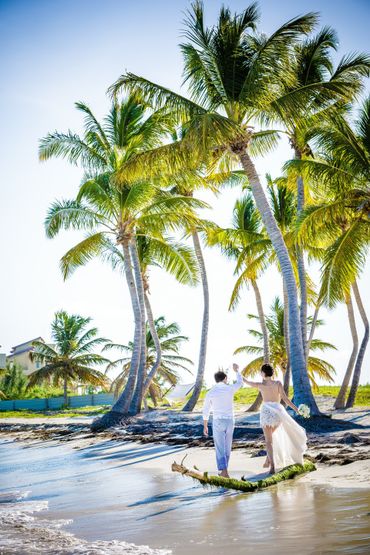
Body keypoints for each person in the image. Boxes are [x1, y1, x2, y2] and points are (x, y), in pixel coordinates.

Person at [242, 363, 307, 474]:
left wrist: (237, 372)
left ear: (263, 373)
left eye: (261, 372)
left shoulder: (260, 385)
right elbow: (285, 399)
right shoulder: (278, 383)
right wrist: (297, 410)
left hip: (267, 411)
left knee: (268, 441)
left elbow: (246, 381)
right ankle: (268, 459)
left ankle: (272, 466)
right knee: (272, 436)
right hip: (278, 412)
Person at [203, 363, 243, 478]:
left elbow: (206, 410)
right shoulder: (229, 389)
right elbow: (240, 383)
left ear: (216, 380)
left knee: (220, 447)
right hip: (230, 421)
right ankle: (224, 471)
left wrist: (205, 426)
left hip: (218, 421)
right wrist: (237, 371)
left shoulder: (210, 392)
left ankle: (223, 471)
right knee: (227, 447)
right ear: (225, 378)